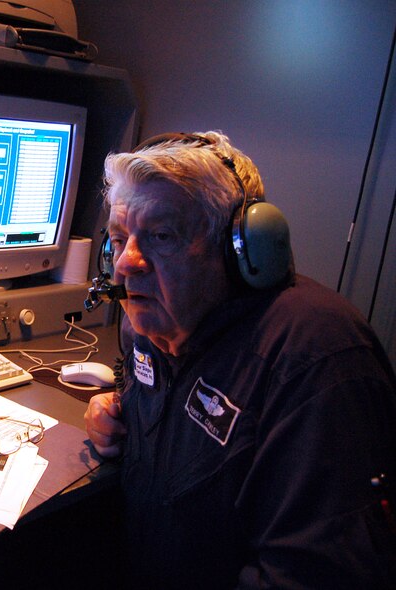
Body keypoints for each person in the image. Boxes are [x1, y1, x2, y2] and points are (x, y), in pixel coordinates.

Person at [83, 131, 396, 588]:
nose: (127, 263)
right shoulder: (149, 327)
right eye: (118, 238)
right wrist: (113, 413)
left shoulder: (318, 359)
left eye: (161, 235)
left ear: (239, 249)